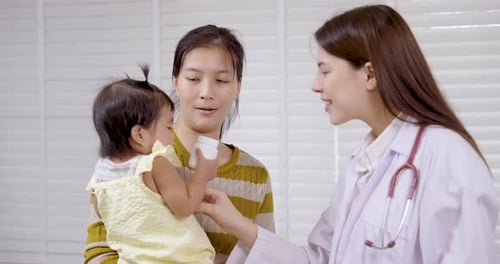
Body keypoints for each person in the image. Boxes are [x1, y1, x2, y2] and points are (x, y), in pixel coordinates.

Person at [196, 5, 499, 264]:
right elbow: (318, 259)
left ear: (369, 74)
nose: (316, 85)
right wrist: (237, 224)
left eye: (325, 71)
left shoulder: (448, 157)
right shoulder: (362, 165)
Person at [84, 25, 275, 264]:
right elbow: (97, 254)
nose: (206, 92)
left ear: (238, 86)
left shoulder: (255, 176)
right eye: (194, 78)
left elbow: (267, 258)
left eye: (222, 80)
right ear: (176, 80)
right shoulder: (134, 160)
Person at [86, 65, 218, 263]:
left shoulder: (100, 177)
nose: (172, 132)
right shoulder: (154, 164)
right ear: (139, 134)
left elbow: (102, 214)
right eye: (167, 126)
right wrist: (202, 174)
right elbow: (185, 206)